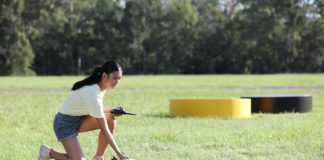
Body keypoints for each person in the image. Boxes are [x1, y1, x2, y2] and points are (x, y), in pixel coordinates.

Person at [37, 60, 133, 160]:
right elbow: (104, 128)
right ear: (105, 76)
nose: (117, 82)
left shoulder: (102, 86)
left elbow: (95, 108)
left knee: (110, 119)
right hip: (64, 124)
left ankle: (98, 157)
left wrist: (111, 110)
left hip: (81, 118)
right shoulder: (92, 92)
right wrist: (120, 154)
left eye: (119, 78)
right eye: (115, 78)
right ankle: (48, 153)